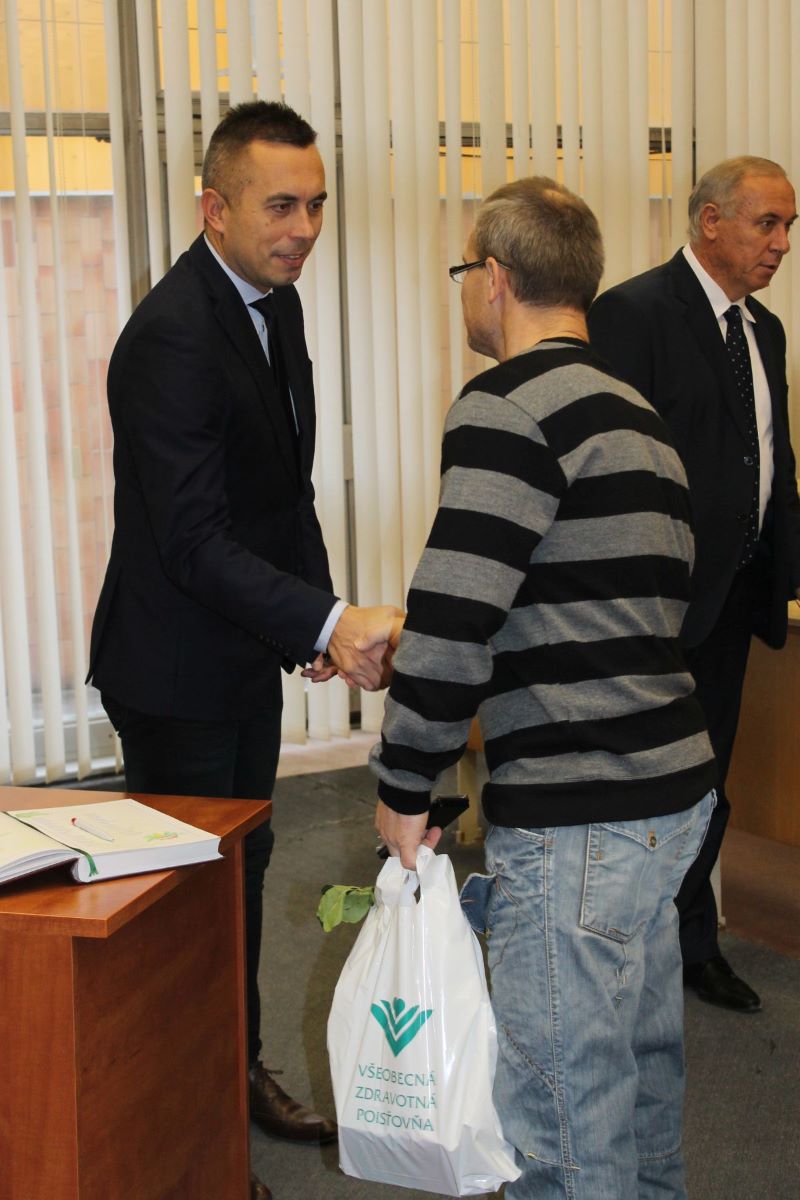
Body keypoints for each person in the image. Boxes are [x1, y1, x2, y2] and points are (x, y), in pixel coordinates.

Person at [369, 176, 717, 1200]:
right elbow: (622, 601)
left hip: (579, 812)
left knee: (558, 1116)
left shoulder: (506, 406)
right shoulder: (635, 414)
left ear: (493, 279)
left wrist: (406, 785)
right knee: (637, 1087)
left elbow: (456, 619)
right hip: (667, 795)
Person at [87, 100, 399, 1200]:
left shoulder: (273, 302)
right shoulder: (172, 335)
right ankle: (190, 1127)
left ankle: (232, 1068)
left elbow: (278, 490)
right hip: (174, 672)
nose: (304, 228)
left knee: (245, 874)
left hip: (236, 655)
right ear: (213, 208)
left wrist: (307, 613)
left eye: (315, 204)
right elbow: (191, 540)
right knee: (186, 907)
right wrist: (322, 621)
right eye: (280, 206)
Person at [588, 156, 800, 1014]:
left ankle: (694, 942)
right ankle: (619, 947)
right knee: (638, 781)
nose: (782, 244)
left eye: (789, 227)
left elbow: (770, 461)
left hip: (734, 596)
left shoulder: (765, 330)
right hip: (653, 605)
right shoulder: (633, 313)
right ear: (712, 221)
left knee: (708, 784)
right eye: (767, 223)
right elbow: (609, 467)